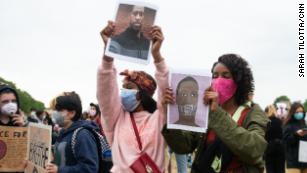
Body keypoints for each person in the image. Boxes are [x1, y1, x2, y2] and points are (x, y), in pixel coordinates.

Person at [162, 54, 269, 173]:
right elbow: (184, 146)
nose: (218, 80)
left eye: (225, 75)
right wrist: (170, 116)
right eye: (214, 76)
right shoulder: (205, 111)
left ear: (239, 80)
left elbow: (254, 150)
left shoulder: (253, 112)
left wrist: (216, 112)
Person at [98, 21, 168, 172]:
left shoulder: (159, 118)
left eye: (129, 88)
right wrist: (108, 55)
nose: (123, 92)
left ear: (142, 94)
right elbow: (105, 92)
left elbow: (167, 92)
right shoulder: (116, 118)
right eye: (122, 87)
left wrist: (157, 56)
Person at [46, 91, 100, 173]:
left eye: (58, 109)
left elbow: (90, 169)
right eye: (53, 110)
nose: (54, 113)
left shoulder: (83, 135)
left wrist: (59, 170)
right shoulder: (63, 132)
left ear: (71, 113)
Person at [283, 102, 307, 173]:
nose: (300, 113)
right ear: (293, 113)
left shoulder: (304, 124)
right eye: (297, 112)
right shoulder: (288, 126)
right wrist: (296, 135)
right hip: (293, 162)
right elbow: (286, 142)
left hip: (305, 160)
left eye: (301, 112)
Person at [264, 105, 285, 173]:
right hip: (280, 147)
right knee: (280, 169)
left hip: (269, 148)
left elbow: (265, 136)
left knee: (270, 169)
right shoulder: (280, 121)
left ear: (266, 112)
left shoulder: (266, 122)